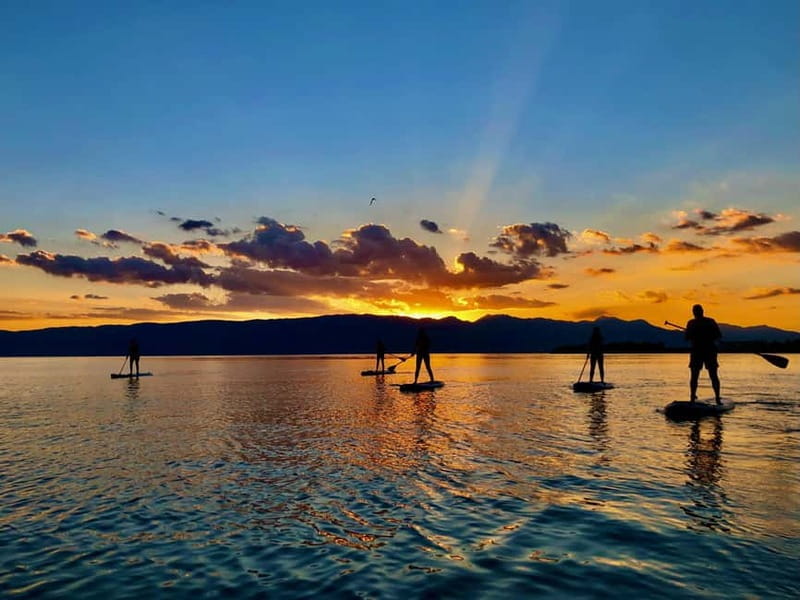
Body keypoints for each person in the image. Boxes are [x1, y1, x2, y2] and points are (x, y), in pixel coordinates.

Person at [685, 304, 721, 404]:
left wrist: (695, 334)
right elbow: (718, 335)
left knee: (708, 375)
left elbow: (687, 337)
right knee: (700, 376)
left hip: (703, 351)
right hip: (703, 351)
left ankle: (716, 398)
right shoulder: (708, 321)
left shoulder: (692, 323)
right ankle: (694, 397)